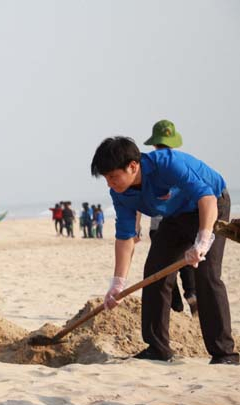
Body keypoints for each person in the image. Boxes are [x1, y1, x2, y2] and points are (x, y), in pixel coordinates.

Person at [91, 136, 237, 364]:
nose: (110, 183)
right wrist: (118, 282)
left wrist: (202, 241)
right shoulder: (120, 193)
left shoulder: (167, 164)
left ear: (132, 166)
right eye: (106, 179)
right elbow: (125, 236)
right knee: (154, 273)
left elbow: (206, 198)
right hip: (175, 215)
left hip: (211, 205)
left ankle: (224, 353)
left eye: (112, 176)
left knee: (206, 274)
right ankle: (157, 348)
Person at [144, 120, 197, 315]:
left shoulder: (150, 167)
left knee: (164, 266)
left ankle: (175, 305)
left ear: (154, 143)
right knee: (186, 262)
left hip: (158, 225)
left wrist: (135, 227)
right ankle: (191, 294)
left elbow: (141, 198)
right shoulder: (180, 164)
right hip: (182, 220)